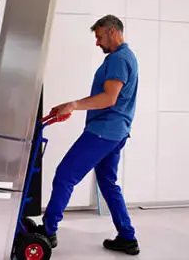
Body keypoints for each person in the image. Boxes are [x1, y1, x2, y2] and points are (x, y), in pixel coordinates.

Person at [39, 15, 140, 255]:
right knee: (108, 183)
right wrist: (70, 106)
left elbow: (109, 98)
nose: (97, 42)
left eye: (99, 36)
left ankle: (49, 230)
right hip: (116, 132)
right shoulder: (125, 58)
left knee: (65, 175)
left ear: (112, 31)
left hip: (104, 131)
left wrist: (73, 105)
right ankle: (127, 237)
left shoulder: (118, 59)